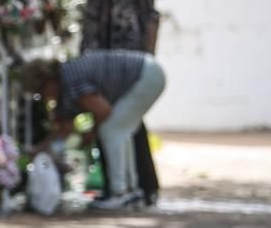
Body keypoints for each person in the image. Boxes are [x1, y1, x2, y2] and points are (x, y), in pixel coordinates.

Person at [80, 0, 161, 205]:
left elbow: (150, 15)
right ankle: (116, 184)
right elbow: (90, 16)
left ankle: (144, 184)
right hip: (101, 60)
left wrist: (148, 54)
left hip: (129, 57)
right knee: (105, 119)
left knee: (129, 121)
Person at [23, 50, 166, 210]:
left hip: (146, 76)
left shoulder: (71, 80)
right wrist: (39, 149)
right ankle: (130, 190)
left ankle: (120, 193)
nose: (44, 97)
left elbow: (103, 111)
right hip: (148, 72)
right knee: (119, 131)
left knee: (110, 129)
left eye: (41, 92)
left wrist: (91, 133)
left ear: (48, 81)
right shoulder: (65, 86)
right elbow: (63, 130)